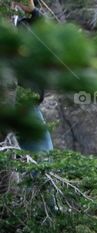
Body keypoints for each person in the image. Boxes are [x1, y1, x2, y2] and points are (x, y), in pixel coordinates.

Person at [11, 0, 53, 152]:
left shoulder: (22, 24)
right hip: (14, 99)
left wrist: (33, 12)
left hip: (26, 100)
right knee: (41, 154)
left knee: (42, 154)